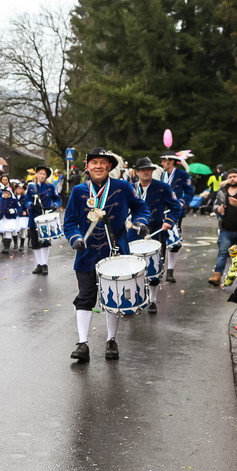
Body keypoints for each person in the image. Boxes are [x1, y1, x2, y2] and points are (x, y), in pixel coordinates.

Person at [64, 148, 150, 362]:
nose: (99, 166)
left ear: (109, 166)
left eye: (103, 162)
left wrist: (141, 222)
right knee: (85, 296)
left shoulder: (123, 187)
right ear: (87, 166)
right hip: (86, 253)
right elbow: (70, 221)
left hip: (116, 252)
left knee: (115, 296)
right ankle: (82, 343)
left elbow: (141, 208)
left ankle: (111, 340)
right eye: (94, 162)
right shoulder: (78, 191)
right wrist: (75, 238)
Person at [129, 158, 183, 314]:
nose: (146, 172)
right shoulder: (130, 188)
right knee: (133, 267)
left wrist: (169, 221)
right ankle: (134, 300)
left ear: (152, 171)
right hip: (134, 232)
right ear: (137, 172)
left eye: (149, 169)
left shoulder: (163, 188)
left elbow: (176, 207)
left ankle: (152, 300)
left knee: (154, 267)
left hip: (156, 231)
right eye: (142, 169)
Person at [209, 169, 237, 286]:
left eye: (234, 176)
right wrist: (218, 208)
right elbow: (215, 205)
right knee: (222, 252)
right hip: (226, 228)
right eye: (230, 177)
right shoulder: (222, 191)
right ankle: (217, 275)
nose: (232, 179)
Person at [159, 152, 194, 282]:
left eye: (164, 161)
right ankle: (159, 270)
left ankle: (170, 271)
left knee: (174, 243)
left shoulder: (182, 174)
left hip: (175, 212)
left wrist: (182, 201)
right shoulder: (161, 175)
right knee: (160, 241)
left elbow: (190, 192)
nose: (162, 163)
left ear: (172, 161)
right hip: (160, 212)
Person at [23, 165, 61, 275]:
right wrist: (30, 205)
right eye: (40, 173)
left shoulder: (50, 187)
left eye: (44, 174)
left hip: (46, 217)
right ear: (36, 175)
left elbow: (58, 199)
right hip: (34, 217)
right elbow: (26, 200)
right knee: (35, 242)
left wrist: (54, 205)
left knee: (45, 242)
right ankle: (39, 264)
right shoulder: (31, 187)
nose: (42, 176)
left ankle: (45, 264)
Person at [0, 186, 23, 252]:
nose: (4, 194)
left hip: (10, 218)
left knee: (8, 231)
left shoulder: (13, 200)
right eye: (3, 193)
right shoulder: (0, 200)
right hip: (3, 218)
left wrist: (14, 210)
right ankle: (5, 246)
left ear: (9, 194)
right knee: (5, 232)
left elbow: (19, 207)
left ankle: (7, 248)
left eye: (6, 193)